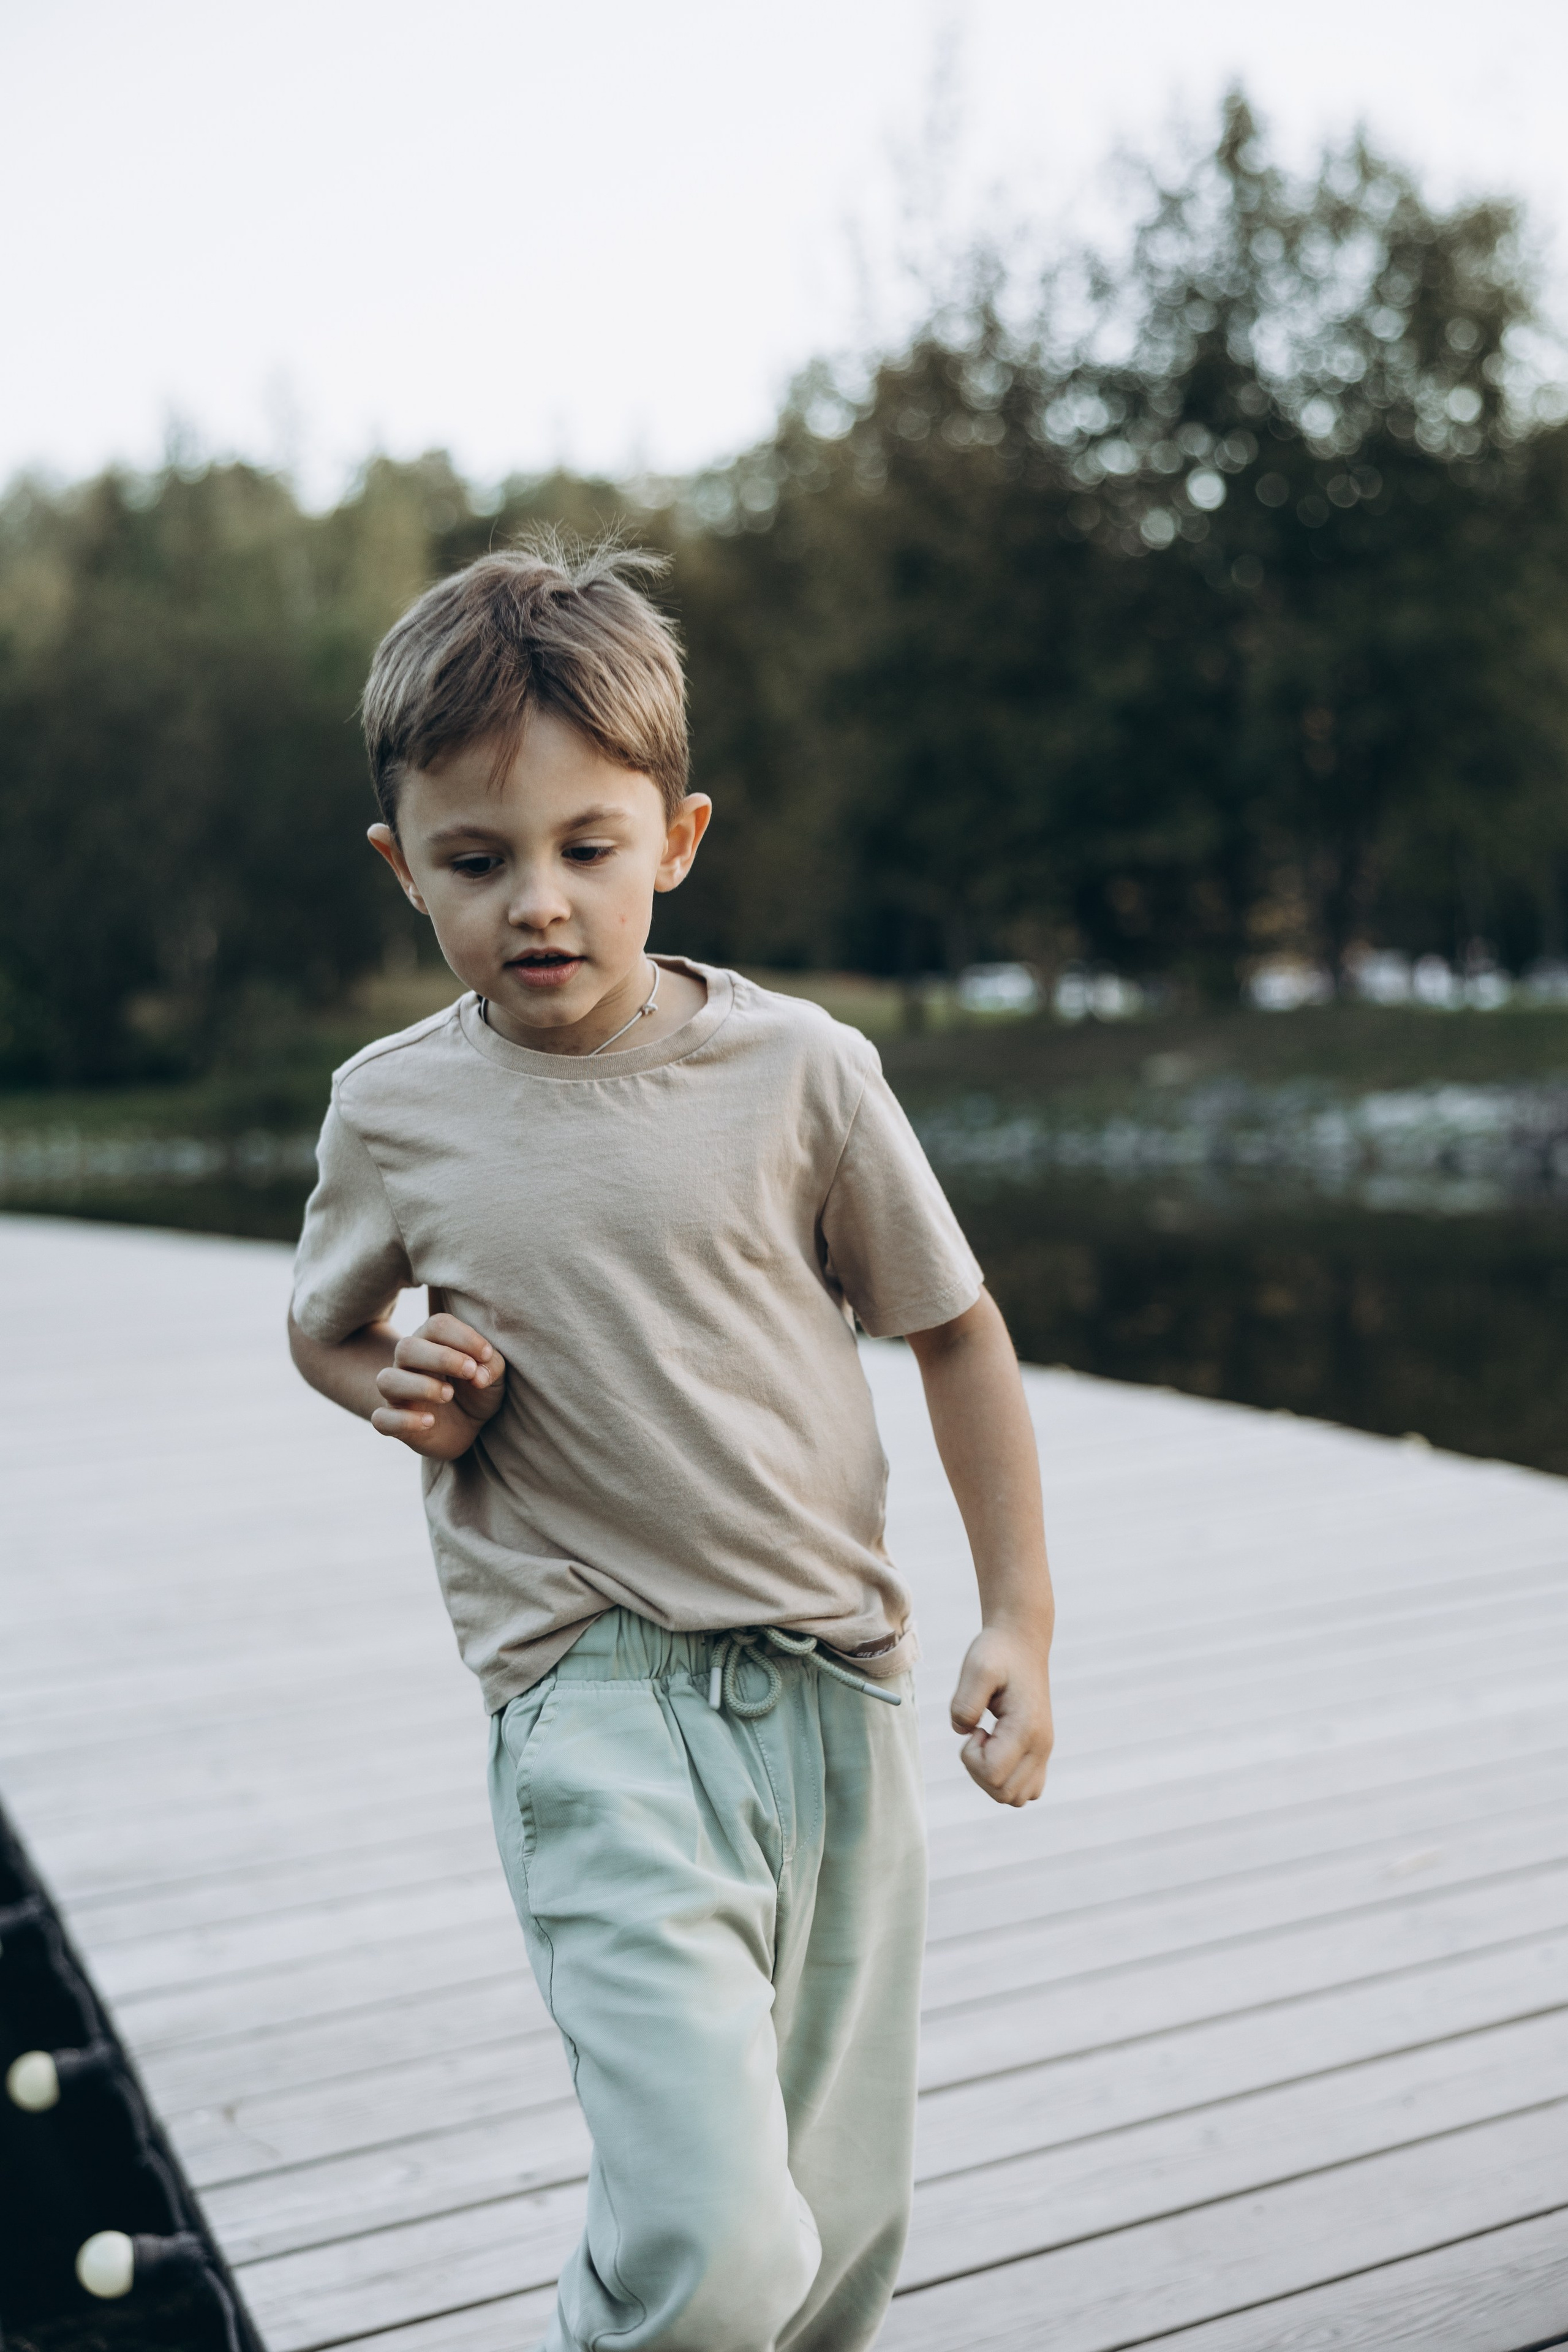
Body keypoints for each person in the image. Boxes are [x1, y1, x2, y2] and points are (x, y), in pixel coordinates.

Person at [287, 538, 1055, 2352]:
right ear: (405, 868)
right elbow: (328, 1331)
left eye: (586, 849)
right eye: (477, 864)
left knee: (834, 2244)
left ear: (679, 839)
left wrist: (1016, 1620)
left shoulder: (802, 1077)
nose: (536, 904)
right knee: (716, 2254)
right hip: (596, 1703)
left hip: (839, 1700)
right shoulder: (395, 1113)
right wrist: (400, 1385)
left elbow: (955, 1333)